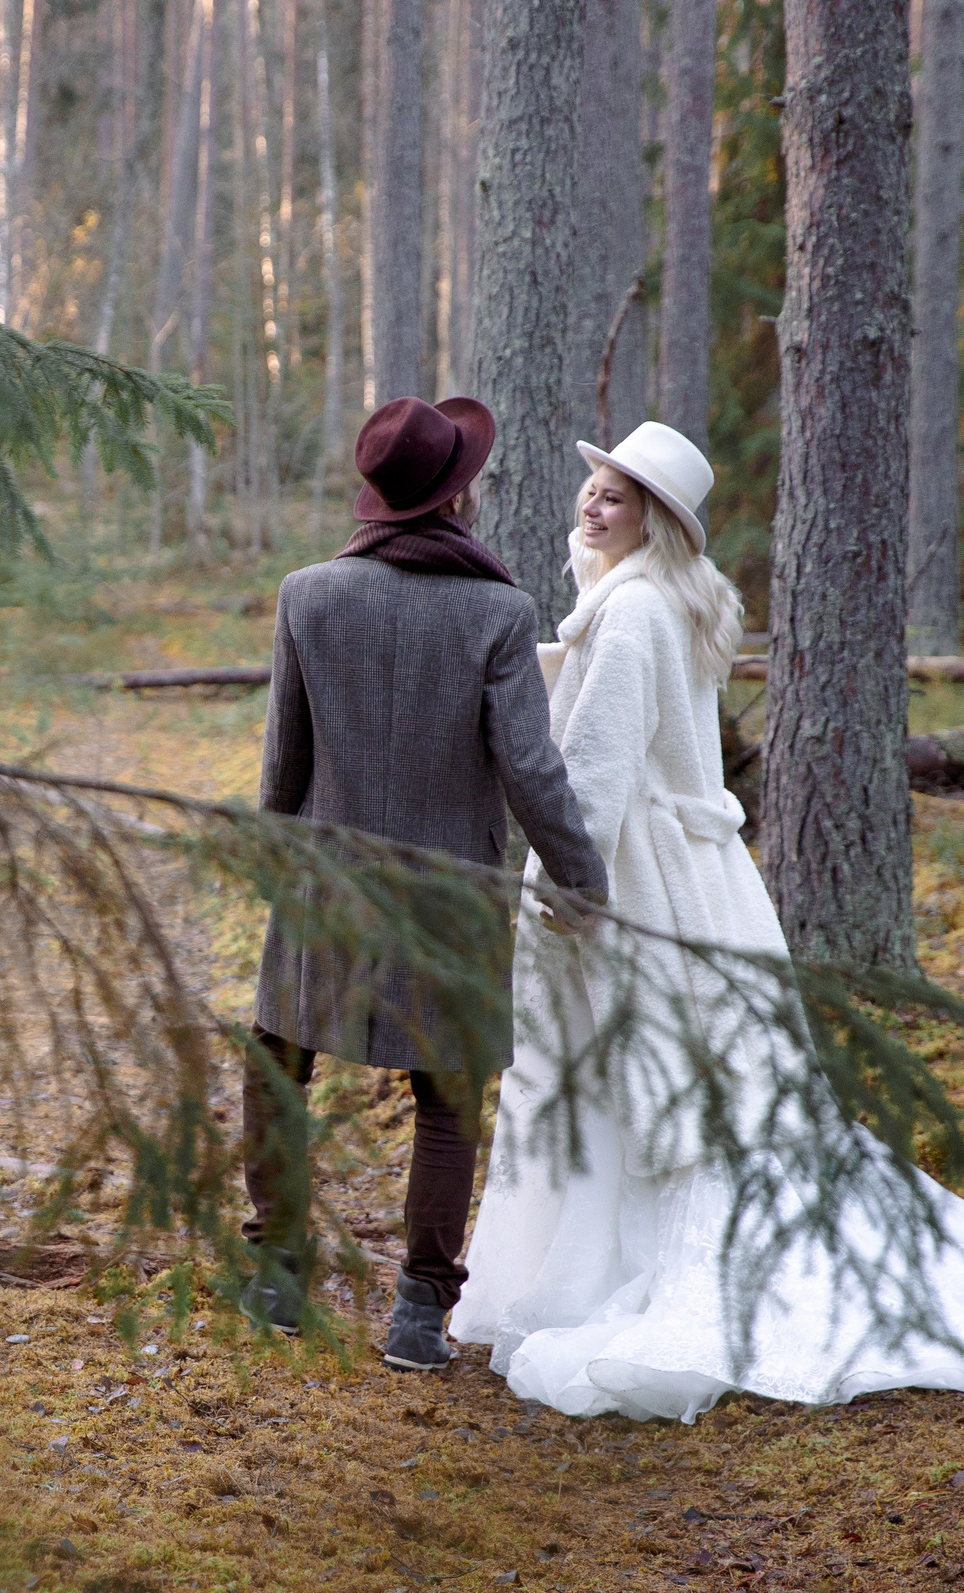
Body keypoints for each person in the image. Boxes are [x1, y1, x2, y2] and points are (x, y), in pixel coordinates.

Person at [446, 420, 964, 1421]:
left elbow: (597, 770)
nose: (590, 504)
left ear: (656, 523)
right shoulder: (654, 600)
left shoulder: (636, 611)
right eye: (593, 487)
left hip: (638, 879)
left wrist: (567, 892)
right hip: (702, 876)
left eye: (615, 496)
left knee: (639, 1073)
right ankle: (588, 1264)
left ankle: (626, 1278)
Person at [246, 395, 608, 1372]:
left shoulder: (306, 594)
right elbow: (530, 770)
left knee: (278, 1063)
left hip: (325, 883)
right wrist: (583, 880)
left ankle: (277, 1273)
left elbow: (283, 765)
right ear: (457, 498)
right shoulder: (497, 611)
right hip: (449, 895)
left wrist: (273, 865)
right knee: (445, 1102)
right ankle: (416, 1313)